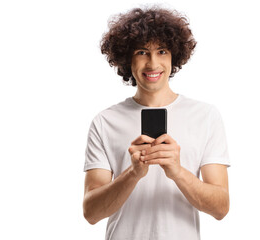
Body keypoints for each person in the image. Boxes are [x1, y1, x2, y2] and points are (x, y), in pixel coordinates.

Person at [83, 6, 230, 240]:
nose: (152, 64)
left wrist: (177, 172)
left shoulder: (205, 116)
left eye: (161, 51)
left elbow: (221, 208)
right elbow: (90, 213)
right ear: (127, 58)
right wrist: (133, 173)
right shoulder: (105, 121)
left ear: (174, 55)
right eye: (142, 52)